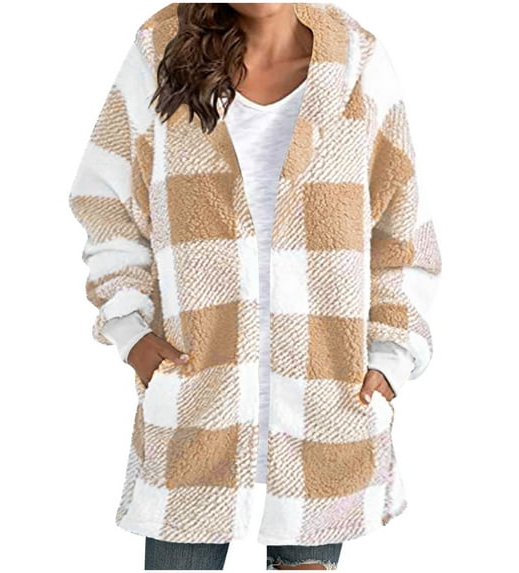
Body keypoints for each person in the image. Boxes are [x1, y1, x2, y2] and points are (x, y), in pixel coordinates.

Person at [68, 2, 442, 570]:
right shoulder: (160, 49)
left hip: (325, 408)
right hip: (196, 405)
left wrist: (390, 357)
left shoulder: (356, 62)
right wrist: (131, 331)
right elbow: (106, 201)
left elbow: (403, 229)